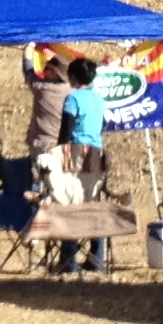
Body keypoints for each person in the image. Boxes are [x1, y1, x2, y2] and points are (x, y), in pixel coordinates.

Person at [55, 56, 113, 274]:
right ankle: (96, 258)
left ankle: (68, 261)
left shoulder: (73, 99)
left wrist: (59, 152)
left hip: (76, 154)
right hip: (97, 153)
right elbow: (102, 124)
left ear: (73, 77)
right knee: (93, 203)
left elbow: (65, 130)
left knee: (71, 205)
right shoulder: (98, 100)